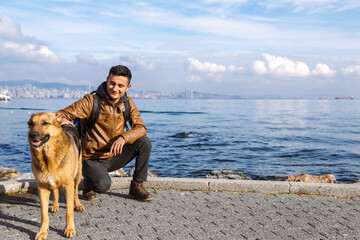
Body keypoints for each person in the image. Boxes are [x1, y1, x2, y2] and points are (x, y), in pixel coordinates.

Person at [57, 65, 153, 202]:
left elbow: (141, 128)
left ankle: (136, 187)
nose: (115, 89)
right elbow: (59, 115)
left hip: (112, 156)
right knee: (102, 186)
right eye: (112, 83)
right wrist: (65, 121)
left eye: (121, 85)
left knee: (144, 142)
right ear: (107, 80)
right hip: (90, 158)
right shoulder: (91, 101)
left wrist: (123, 137)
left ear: (128, 87)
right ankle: (89, 183)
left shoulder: (128, 103)